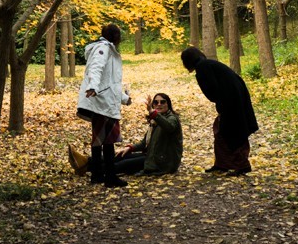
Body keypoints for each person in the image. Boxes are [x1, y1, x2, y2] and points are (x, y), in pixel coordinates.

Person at [180, 46, 258, 174]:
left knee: (233, 132)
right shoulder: (208, 64)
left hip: (231, 103)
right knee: (222, 131)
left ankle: (242, 165)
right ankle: (222, 164)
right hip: (234, 99)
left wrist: (221, 104)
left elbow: (212, 91)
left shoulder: (203, 68)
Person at [69, 92, 183, 178]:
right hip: (151, 155)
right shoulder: (155, 121)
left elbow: (169, 127)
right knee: (119, 156)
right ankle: (86, 161)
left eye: (162, 102)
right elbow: (144, 143)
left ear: (168, 104)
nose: (159, 104)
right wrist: (130, 148)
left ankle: (86, 167)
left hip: (163, 162)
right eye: (156, 102)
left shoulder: (172, 119)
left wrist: (153, 113)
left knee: (122, 165)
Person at [75, 23, 131, 188]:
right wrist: (93, 87)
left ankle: (98, 174)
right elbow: (96, 69)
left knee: (102, 139)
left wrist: (124, 98)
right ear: (114, 36)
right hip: (102, 101)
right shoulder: (103, 49)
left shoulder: (108, 50)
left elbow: (111, 82)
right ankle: (109, 176)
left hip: (105, 100)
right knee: (107, 140)